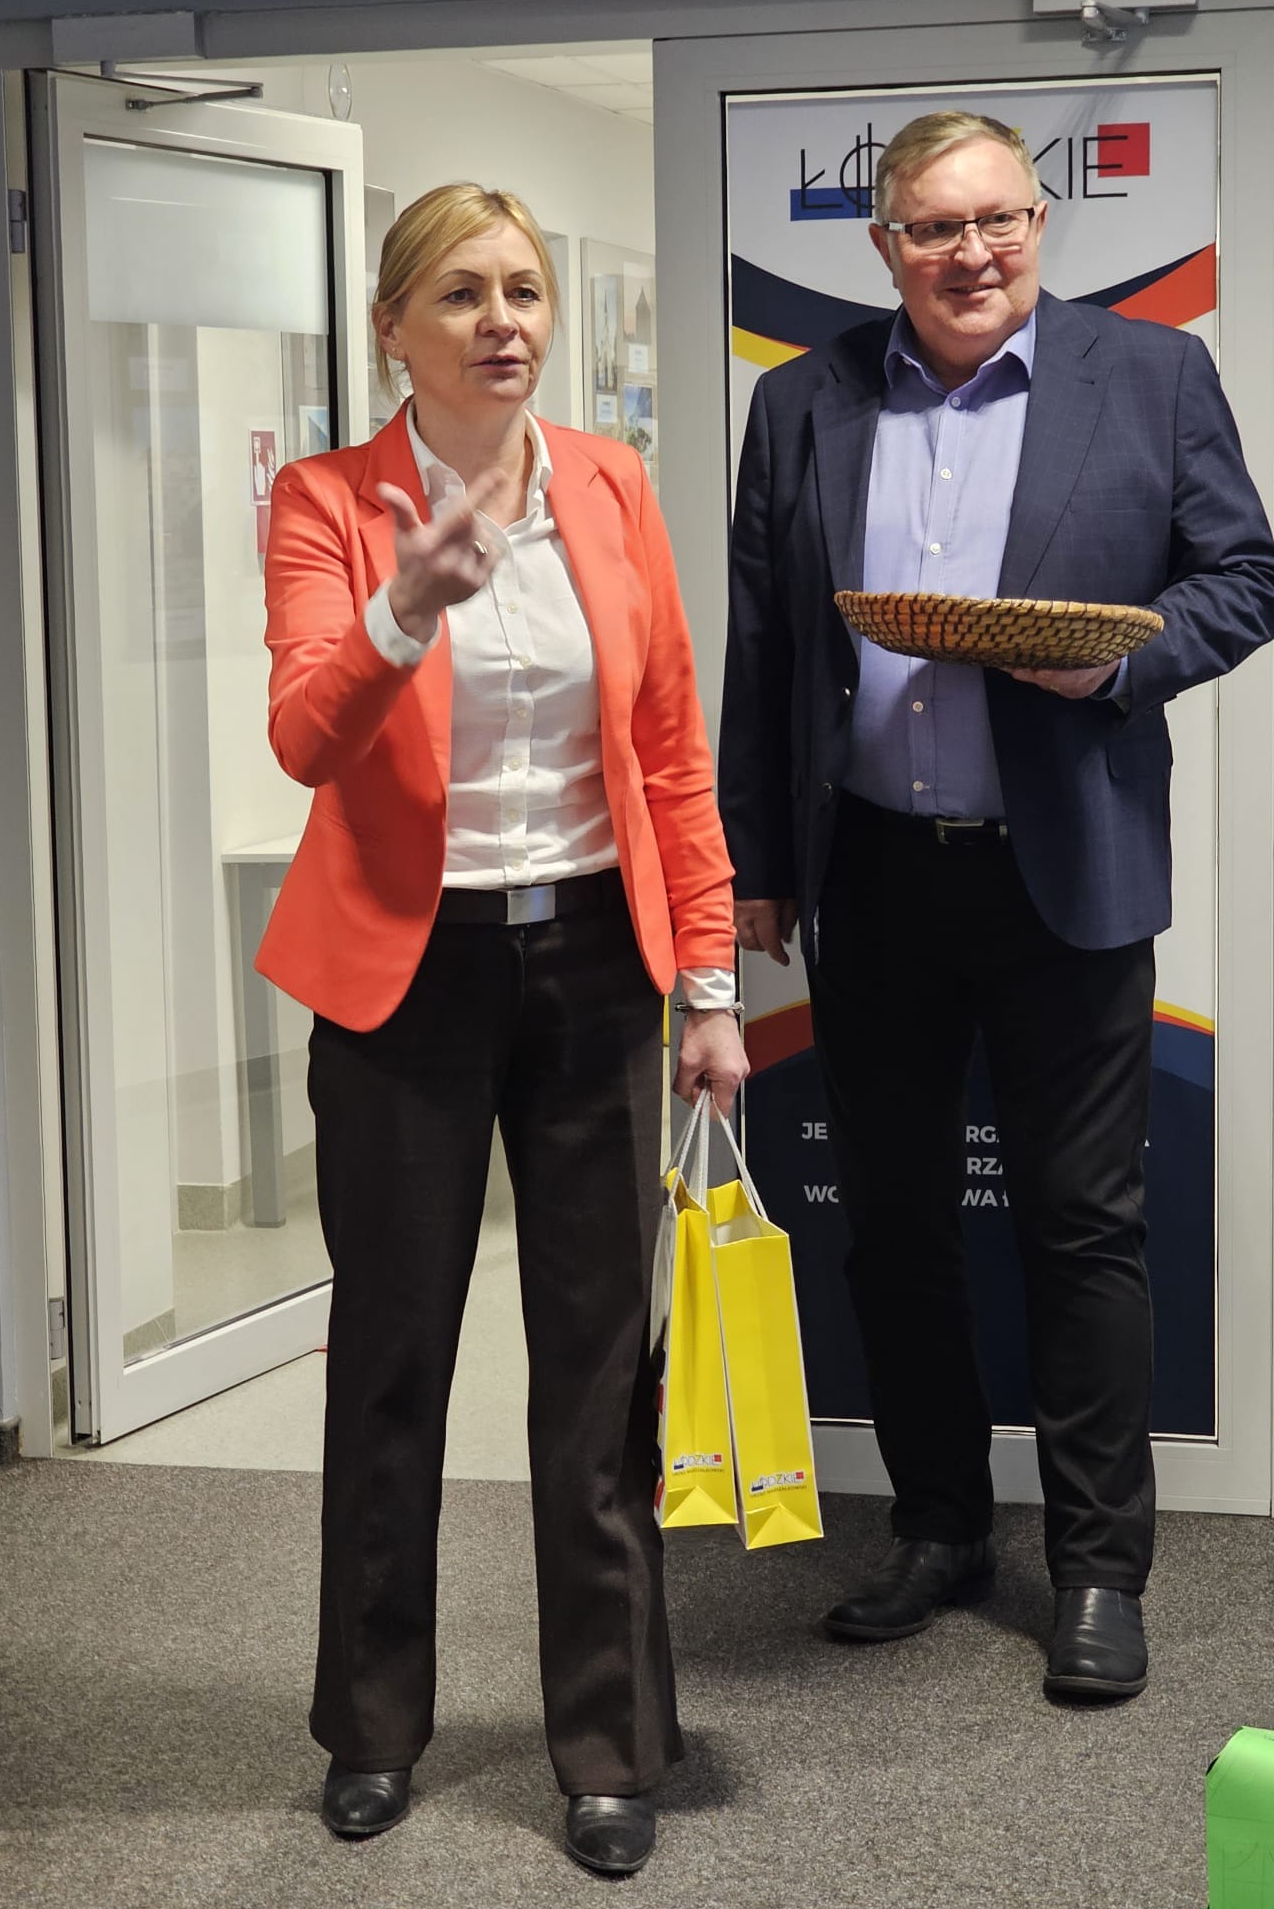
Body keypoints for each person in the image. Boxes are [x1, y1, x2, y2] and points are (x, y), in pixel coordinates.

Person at [719, 112, 1274, 1701]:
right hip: (874, 874)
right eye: (935, 228)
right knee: (893, 1223)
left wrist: (1113, 665)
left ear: (1039, 223)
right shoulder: (804, 401)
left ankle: (1099, 1569)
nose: (973, 254)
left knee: (1081, 1226)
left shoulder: (1151, 376)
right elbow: (765, 646)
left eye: (1001, 221)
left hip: (1067, 873)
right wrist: (756, 858)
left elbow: (1247, 579)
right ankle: (940, 1527)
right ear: (884, 244)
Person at [257, 182, 746, 1876]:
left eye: (524, 290)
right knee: (395, 1360)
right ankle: (371, 1726)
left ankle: (611, 1744)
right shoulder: (328, 501)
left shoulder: (610, 483)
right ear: (393, 327)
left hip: (598, 965)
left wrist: (707, 987)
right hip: (407, 981)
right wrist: (405, 609)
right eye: (461, 294)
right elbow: (305, 737)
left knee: (601, 1374)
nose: (503, 322)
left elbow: (671, 750)